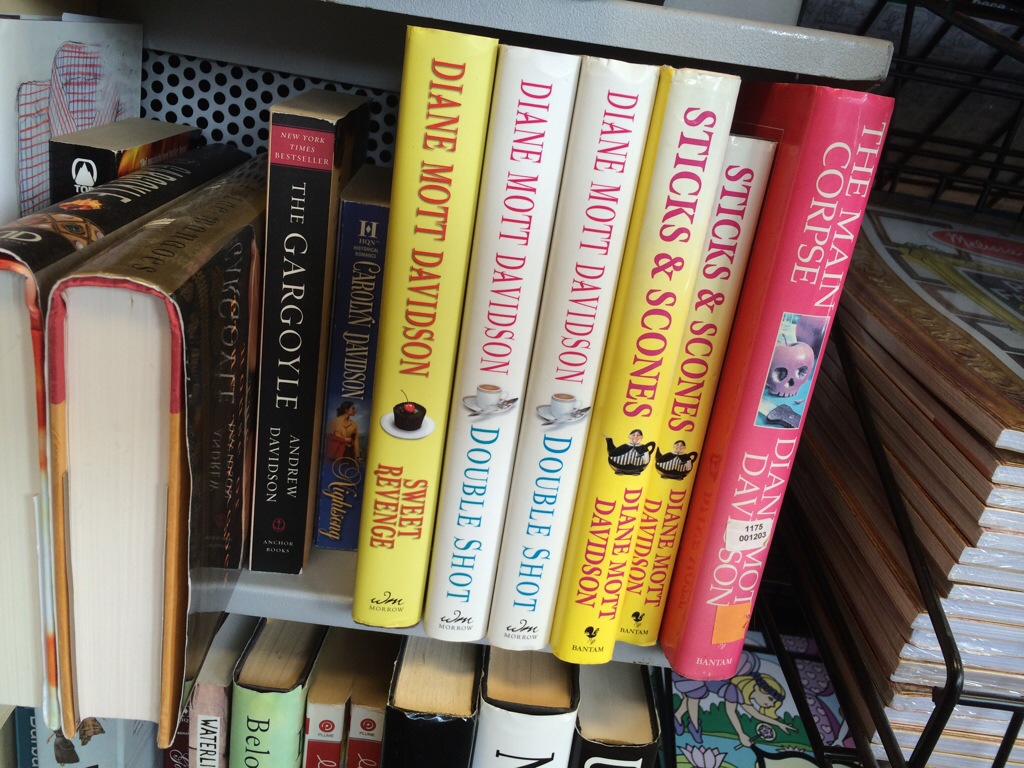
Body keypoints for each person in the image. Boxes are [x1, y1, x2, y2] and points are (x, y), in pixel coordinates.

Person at [673, 651, 796, 748]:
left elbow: (756, 714)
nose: (770, 704)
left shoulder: (741, 693)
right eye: (770, 698)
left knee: (690, 697)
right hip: (699, 669)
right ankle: (694, 726)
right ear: (758, 688)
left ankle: (678, 717)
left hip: (702, 676)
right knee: (693, 697)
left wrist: (779, 724)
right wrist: (741, 734)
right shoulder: (733, 690)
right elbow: (731, 712)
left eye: (773, 702)